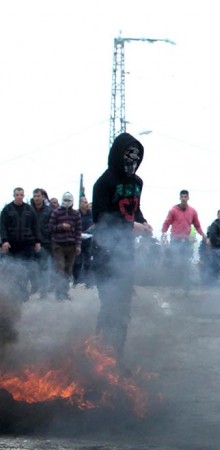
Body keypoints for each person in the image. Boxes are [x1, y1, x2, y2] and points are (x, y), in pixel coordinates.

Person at [91, 131, 152, 360]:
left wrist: (143, 221)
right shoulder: (104, 182)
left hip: (126, 255)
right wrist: (131, 227)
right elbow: (100, 217)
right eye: (128, 157)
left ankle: (116, 357)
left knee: (124, 309)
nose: (131, 163)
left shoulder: (137, 182)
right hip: (105, 253)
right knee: (109, 306)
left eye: (135, 158)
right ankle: (97, 356)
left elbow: (135, 208)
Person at [0, 187, 42, 301]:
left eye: (21, 195)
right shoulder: (7, 209)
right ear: (13, 195)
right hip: (12, 245)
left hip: (27, 244)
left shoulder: (29, 209)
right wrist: (4, 241)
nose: (19, 196)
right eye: (17, 194)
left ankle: (23, 293)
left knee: (26, 268)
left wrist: (37, 241)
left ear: (24, 196)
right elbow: (2, 226)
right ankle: (14, 293)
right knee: (13, 270)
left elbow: (35, 226)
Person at [161, 189, 206, 289]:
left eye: (186, 197)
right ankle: (173, 286)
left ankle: (186, 287)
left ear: (188, 198)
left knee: (186, 263)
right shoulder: (173, 210)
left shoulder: (192, 211)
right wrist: (163, 234)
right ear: (180, 198)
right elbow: (167, 223)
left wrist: (203, 235)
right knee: (175, 263)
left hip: (186, 241)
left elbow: (197, 225)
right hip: (175, 240)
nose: (184, 198)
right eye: (182, 197)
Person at [48, 192, 82, 301]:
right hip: (58, 245)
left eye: (69, 200)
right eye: (65, 200)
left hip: (71, 246)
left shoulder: (76, 214)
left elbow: (78, 231)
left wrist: (78, 245)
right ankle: (59, 293)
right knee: (60, 268)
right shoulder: (56, 213)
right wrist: (61, 226)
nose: (67, 202)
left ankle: (64, 292)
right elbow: (50, 227)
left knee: (68, 270)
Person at [30, 187, 53, 296]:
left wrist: (45, 234)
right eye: (35, 196)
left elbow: (52, 226)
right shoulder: (29, 209)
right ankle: (35, 286)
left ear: (42, 197)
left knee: (44, 266)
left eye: (38, 196)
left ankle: (43, 290)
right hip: (32, 242)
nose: (37, 198)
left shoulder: (49, 210)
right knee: (33, 267)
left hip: (45, 242)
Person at [72, 195, 94, 288]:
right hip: (78, 241)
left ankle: (88, 282)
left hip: (89, 241)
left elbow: (96, 223)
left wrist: (92, 228)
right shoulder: (76, 213)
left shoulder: (91, 214)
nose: (86, 204)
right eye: (84, 202)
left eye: (86, 202)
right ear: (80, 204)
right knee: (77, 262)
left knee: (88, 262)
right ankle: (77, 281)